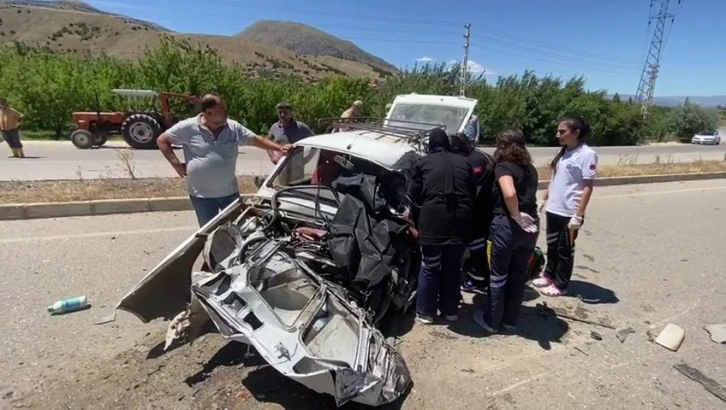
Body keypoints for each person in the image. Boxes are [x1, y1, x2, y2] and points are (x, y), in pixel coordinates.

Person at [157, 93, 292, 227]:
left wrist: (280, 149)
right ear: (208, 113)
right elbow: (162, 140)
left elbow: (256, 140)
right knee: (209, 233)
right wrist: (176, 165)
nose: (226, 112)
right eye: (222, 109)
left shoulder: (233, 127)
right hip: (202, 196)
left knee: (238, 229)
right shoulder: (187, 127)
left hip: (230, 194)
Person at [473, 129, 539, 334]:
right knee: (518, 275)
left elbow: (509, 192)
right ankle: (510, 321)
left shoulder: (503, 167)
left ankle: (492, 321)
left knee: (498, 275)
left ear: (502, 146)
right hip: (531, 226)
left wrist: (515, 214)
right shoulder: (530, 168)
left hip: (507, 226)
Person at [408, 128, 475, 324]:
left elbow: (413, 195)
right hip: (461, 219)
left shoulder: (422, 163)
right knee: (453, 266)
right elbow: (471, 193)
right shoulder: (465, 163)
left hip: (433, 219)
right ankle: (450, 311)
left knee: (430, 265)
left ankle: (426, 313)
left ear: (430, 145)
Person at [532, 116, 598, 297]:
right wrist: (544, 199)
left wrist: (579, 214)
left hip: (569, 211)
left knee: (565, 249)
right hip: (554, 208)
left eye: (562, 132)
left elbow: (587, 187)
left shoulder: (587, 154)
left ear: (576, 133)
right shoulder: (564, 152)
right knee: (552, 245)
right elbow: (555, 179)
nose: (558, 135)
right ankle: (549, 275)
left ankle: (561, 284)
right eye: (558, 131)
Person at [449, 133, 495, 295]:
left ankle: (478, 279)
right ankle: (478, 274)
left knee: (477, 243)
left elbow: (473, 190)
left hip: (482, 209)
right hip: (485, 207)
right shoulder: (477, 156)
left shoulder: (475, 161)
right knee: (477, 242)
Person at [267, 102, 314, 184]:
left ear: (291, 113)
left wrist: (307, 158)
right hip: (281, 167)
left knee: (296, 191)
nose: (282, 115)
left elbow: (315, 142)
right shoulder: (275, 127)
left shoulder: (300, 127)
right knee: (281, 189)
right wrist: (273, 157)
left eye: (285, 112)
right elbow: (268, 143)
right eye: (280, 112)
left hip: (297, 168)